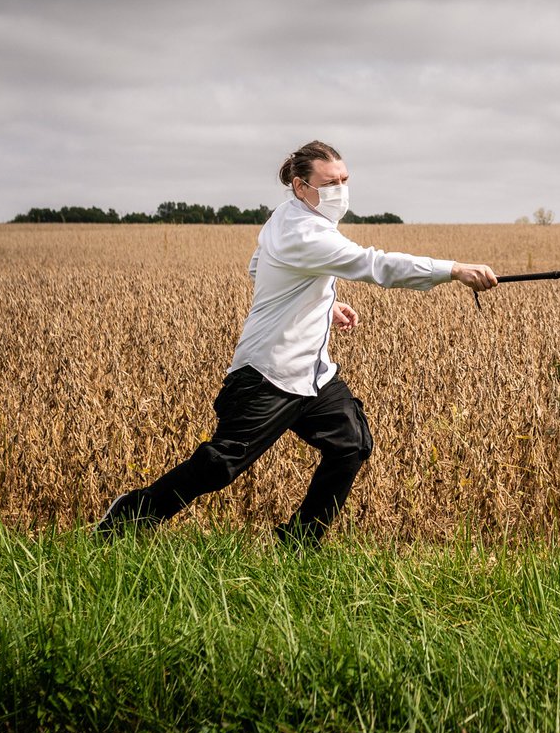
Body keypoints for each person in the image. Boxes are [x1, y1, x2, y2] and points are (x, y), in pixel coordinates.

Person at [96, 140, 498, 544]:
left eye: (344, 179)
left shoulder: (289, 217)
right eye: (330, 182)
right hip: (268, 373)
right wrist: (454, 269)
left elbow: (260, 267)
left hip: (311, 373)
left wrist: (324, 303)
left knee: (351, 444)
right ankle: (129, 515)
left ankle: (300, 542)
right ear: (301, 186)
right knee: (221, 465)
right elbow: (374, 264)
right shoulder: (303, 233)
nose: (340, 189)